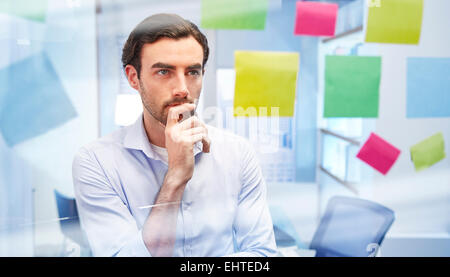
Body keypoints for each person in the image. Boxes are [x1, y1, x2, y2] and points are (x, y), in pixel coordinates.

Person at [72, 13, 277, 257]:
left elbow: (262, 253)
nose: (182, 89)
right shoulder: (96, 161)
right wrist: (176, 176)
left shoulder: (237, 153)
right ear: (133, 78)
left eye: (192, 72)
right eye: (164, 72)